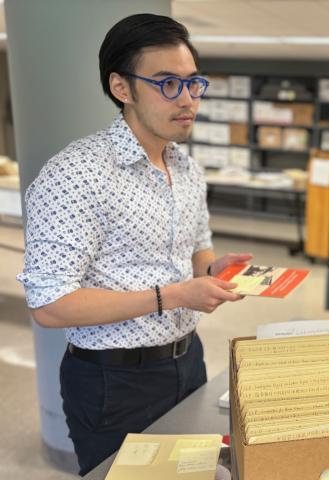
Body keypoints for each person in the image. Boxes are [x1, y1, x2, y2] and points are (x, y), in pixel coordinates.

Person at [17, 14, 249, 475]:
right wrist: (176, 295)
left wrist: (211, 271)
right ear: (121, 88)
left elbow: (197, 249)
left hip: (188, 360)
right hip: (112, 380)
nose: (187, 100)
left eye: (193, 83)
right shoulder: (76, 175)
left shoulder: (186, 167)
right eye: (166, 83)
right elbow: (49, 304)